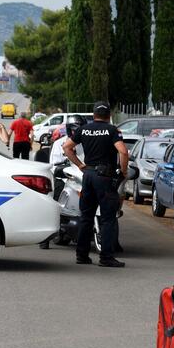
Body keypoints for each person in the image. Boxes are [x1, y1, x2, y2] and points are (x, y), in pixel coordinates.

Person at [63, 101, 129, 267]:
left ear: (94, 115)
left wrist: (79, 164)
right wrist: (123, 171)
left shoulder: (83, 129)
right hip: (105, 177)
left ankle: (82, 255)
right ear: (109, 116)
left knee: (86, 217)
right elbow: (123, 151)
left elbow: (67, 147)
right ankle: (106, 257)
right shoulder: (112, 130)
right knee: (107, 219)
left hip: (89, 175)